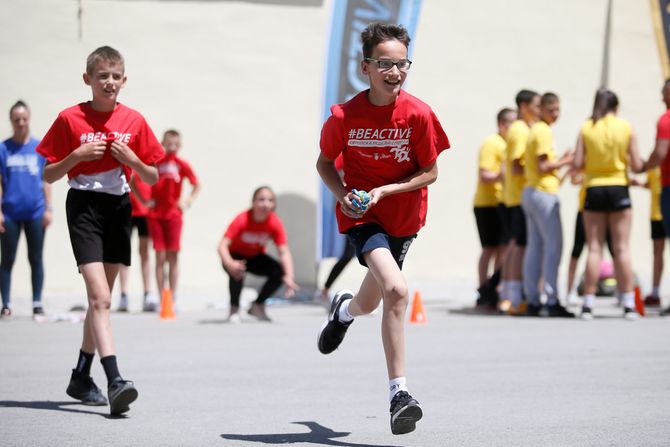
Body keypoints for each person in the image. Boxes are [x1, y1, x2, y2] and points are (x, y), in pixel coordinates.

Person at [316, 23, 450, 435]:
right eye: (386, 64)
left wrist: (386, 190)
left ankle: (343, 310)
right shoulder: (344, 116)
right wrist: (344, 196)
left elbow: (430, 172)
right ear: (366, 67)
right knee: (396, 289)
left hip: (403, 219)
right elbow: (324, 163)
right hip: (362, 217)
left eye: (402, 63)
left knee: (371, 301)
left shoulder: (419, 114)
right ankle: (400, 395)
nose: (395, 72)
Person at [36, 46, 163, 415]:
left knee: (100, 300)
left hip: (119, 209)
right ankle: (115, 380)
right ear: (87, 79)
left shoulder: (134, 121)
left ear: (124, 80)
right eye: (102, 75)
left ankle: (80, 374)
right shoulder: (69, 119)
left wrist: (133, 161)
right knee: (101, 299)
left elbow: (151, 176)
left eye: (115, 76)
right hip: (84, 208)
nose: (109, 82)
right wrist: (76, 156)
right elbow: (48, 173)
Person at [573, 88, 643, 321]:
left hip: (593, 187)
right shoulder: (625, 127)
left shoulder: (587, 127)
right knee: (621, 248)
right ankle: (629, 303)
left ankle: (588, 304)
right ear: (616, 106)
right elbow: (636, 162)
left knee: (594, 247)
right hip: (618, 187)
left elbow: (577, 162)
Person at [521, 93, 574, 317]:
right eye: (552, 109)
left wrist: (560, 163)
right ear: (541, 109)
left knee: (535, 247)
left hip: (532, 191)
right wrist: (567, 161)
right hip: (543, 193)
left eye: (558, 109)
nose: (556, 113)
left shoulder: (536, 129)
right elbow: (544, 166)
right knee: (553, 247)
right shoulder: (543, 130)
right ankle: (552, 300)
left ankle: (533, 299)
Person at [0, 101, 52, 318]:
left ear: (29, 118)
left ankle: (37, 303)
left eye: (24, 118)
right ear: (11, 121)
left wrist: (48, 209)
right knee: (8, 259)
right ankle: (6, 304)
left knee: (36, 257)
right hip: (10, 213)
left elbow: (46, 180)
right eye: (16, 119)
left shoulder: (39, 149)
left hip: (35, 212)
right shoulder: (3, 149)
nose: (21, 123)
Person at [217, 186, 298, 322]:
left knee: (279, 272)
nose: (266, 204)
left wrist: (289, 276)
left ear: (274, 204)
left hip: (255, 257)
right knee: (238, 270)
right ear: (253, 202)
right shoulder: (242, 219)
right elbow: (222, 246)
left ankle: (257, 305)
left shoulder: (274, 222)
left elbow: (283, 251)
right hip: (234, 256)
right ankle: (234, 309)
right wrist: (230, 263)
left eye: (270, 200)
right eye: (261, 200)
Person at [146, 129, 199, 307]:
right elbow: (135, 180)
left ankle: (173, 296)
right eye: (169, 144)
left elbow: (196, 184)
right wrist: (145, 200)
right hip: (156, 215)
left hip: (174, 215)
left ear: (180, 146)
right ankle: (163, 297)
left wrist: (187, 201)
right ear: (162, 143)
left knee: (173, 256)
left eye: (176, 145)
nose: (172, 148)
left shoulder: (181, 164)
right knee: (160, 256)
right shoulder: (155, 163)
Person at [499, 90, 540, 315]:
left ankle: (512, 294)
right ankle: (513, 297)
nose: (539, 108)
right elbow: (516, 166)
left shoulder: (523, 128)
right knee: (518, 246)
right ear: (524, 106)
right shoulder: (520, 129)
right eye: (536, 104)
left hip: (518, 196)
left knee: (518, 245)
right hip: (518, 197)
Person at [472, 108, 515, 310]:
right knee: (489, 248)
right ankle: (483, 289)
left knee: (502, 248)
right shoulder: (492, 143)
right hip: (487, 203)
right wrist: (504, 175)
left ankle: (494, 288)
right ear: (502, 124)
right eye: (512, 124)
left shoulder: (508, 144)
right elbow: (485, 175)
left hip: (501, 202)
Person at [641, 79, 670, 315]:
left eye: (664, 94)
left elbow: (660, 153)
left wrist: (643, 167)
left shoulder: (666, 119)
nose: (662, 98)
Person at [116, 172, 156, 312]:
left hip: (145, 213)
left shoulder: (147, 160)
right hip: (127, 209)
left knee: (144, 253)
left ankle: (147, 294)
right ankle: (124, 295)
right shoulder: (127, 157)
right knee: (123, 253)